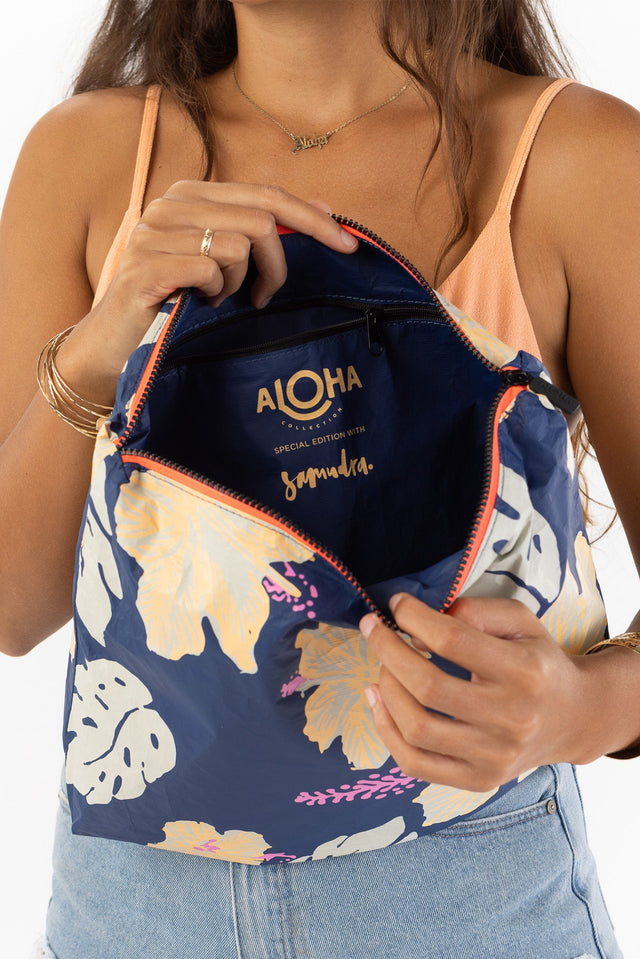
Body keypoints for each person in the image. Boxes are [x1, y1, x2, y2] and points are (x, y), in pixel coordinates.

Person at [1, 1, 639, 957]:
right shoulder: (87, 159)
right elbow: (14, 608)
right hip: (132, 906)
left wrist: (580, 711)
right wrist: (99, 345)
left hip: (465, 897)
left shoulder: (578, 159)